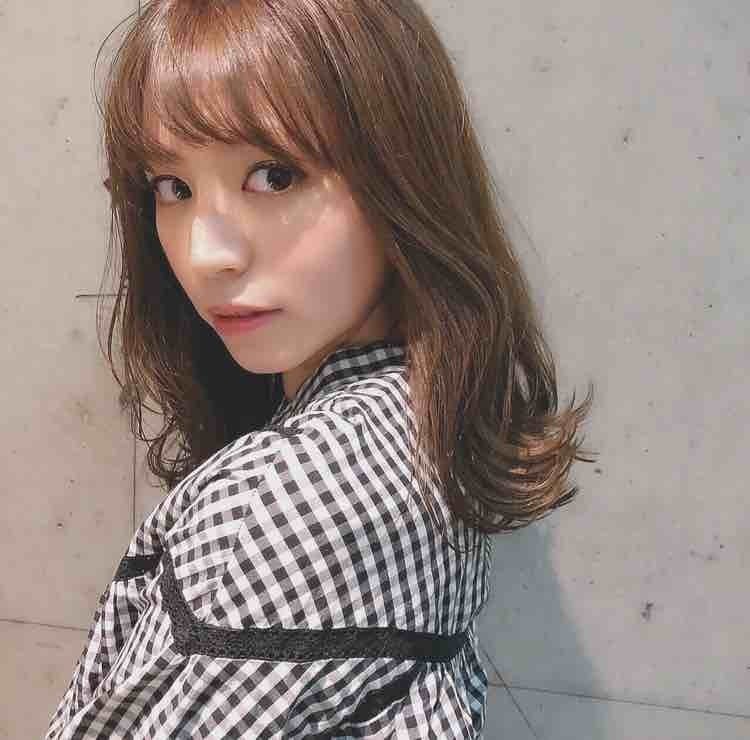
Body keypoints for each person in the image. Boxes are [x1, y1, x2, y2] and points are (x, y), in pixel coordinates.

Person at [45, 0, 598, 737]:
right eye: (172, 187)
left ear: (402, 174)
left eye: (274, 175)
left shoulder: (284, 500)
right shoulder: (425, 422)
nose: (206, 255)